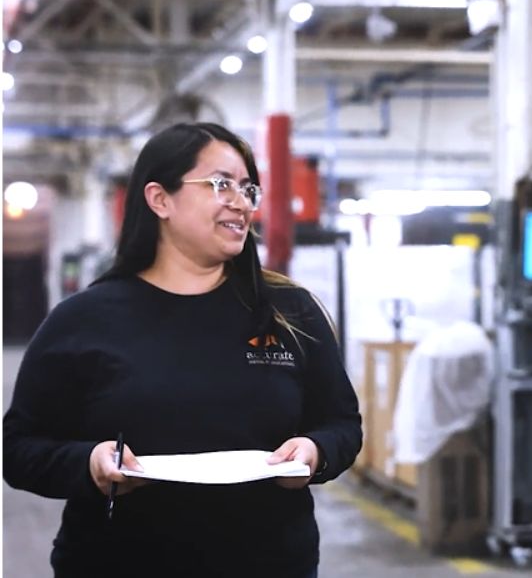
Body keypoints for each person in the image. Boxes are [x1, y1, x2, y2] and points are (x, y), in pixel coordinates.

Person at [3, 122, 362, 578]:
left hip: (268, 563)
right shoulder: (83, 320)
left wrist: (315, 451)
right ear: (160, 199)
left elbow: (342, 424)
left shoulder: (289, 312)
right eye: (220, 183)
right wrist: (90, 463)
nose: (241, 200)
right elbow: (18, 449)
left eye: (248, 187)